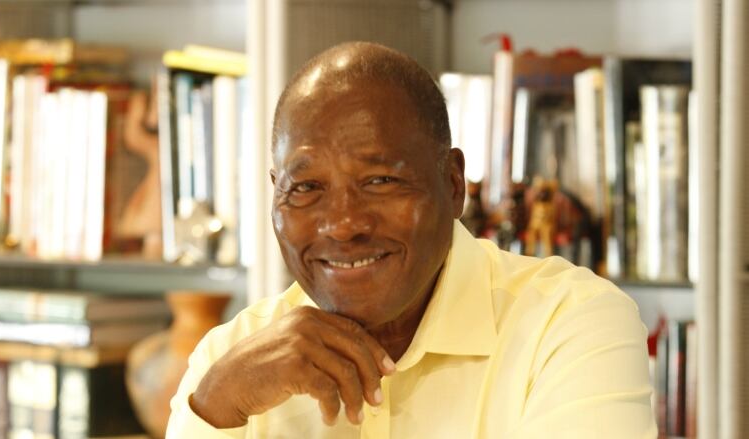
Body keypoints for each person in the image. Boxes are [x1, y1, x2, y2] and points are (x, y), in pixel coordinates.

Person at [166, 42, 655, 438]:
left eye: (379, 181)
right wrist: (216, 408)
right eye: (307, 188)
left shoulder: (568, 325)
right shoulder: (227, 365)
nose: (343, 223)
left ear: (453, 184)